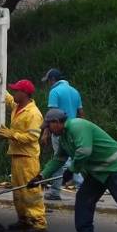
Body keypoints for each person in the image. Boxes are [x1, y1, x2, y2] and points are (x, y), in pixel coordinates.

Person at [0, 79, 47, 232]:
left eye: (16, 91)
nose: (14, 93)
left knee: (30, 191)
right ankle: (24, 219)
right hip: (17, 155)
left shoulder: (33, 114)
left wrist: (12, 135)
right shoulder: (18, 106)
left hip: (28, 158)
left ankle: (39, 222)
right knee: (18, 191)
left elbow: (32, 137)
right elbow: (9, 100)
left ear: (24, 93)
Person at [41, 68, 85, 201]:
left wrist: (45, 132)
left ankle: (55, 191)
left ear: (53, 79)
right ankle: (82, 188)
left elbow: (52, 115)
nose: (48, 83)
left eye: (48, 81)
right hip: (74, 131)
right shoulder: (74, 91)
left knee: (59, 160)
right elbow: (81, 113)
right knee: (72, 158)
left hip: (59, 130)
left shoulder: (55, 91)